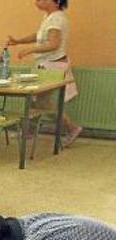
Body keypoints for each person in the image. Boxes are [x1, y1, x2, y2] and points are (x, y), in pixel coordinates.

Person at [7, 0, 82, 146]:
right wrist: (19, 41)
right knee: (36, 100)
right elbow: (40, 36)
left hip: (53, 66)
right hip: (47, 65)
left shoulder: (57, 18)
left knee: (42, 102)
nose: (37, 1)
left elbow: (54, 44)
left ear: (55, 2)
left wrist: (30, 50)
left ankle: (72, 128)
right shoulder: (50, 17)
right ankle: (28, 131)